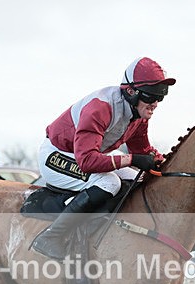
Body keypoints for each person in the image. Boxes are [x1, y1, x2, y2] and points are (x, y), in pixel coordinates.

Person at [31, 57, 175, 260]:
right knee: (109, 182)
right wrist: (132, 159)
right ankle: (50, 237)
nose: (156, 103)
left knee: (139, 178)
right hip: (56, 155)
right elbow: (88, 161)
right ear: (131, 92)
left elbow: (142, 149)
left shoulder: (138, 114)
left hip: (87, 154)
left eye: (161, 96)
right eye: (151, 96)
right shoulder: (100, 108)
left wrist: (169, 163)